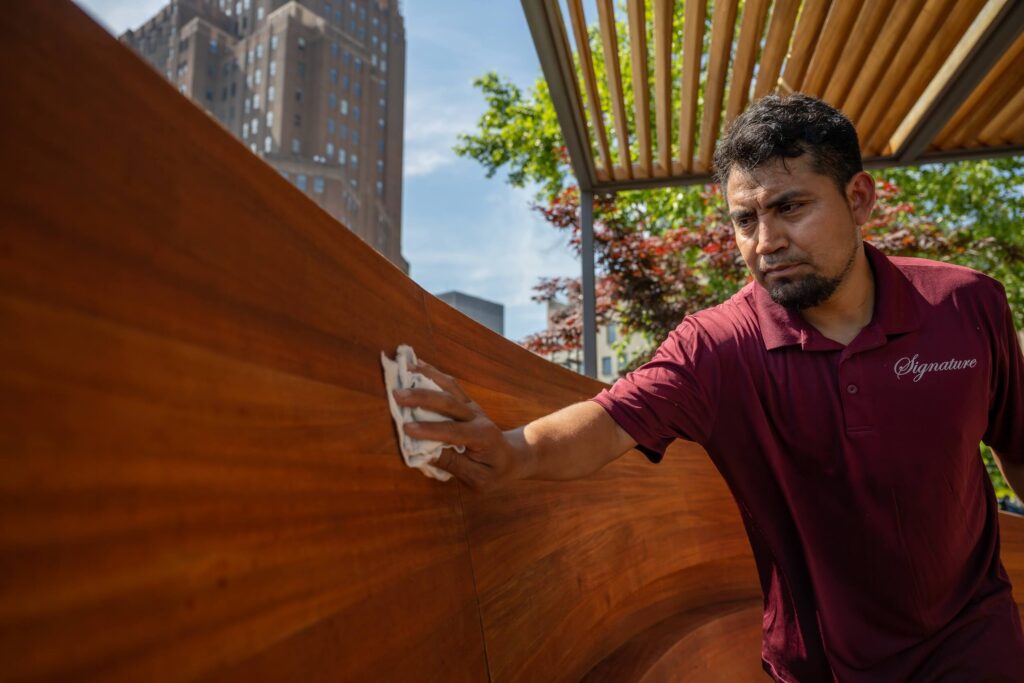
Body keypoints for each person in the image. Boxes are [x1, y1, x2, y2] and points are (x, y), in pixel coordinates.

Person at [392, 94, 1024, 682]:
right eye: (743, 220)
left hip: (977, 648)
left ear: (859, 198)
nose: (765, 243)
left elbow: (1017, 442)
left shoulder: (966, 304)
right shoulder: (718, 345)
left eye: (790, 208)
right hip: (822, 669)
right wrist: (515, 452)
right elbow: (609, 419)